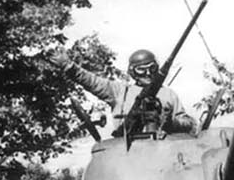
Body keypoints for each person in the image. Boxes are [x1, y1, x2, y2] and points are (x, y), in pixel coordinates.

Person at [59, 49, 196, 136]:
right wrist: (69, 67)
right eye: (141, 69)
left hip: (163, 150)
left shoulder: (168, 94)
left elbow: (189, 123)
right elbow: (92, 82)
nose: (148, 73)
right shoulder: (120, 92)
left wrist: (170, 122)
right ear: (132, 71)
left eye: (152, 68)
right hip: (125, 151)